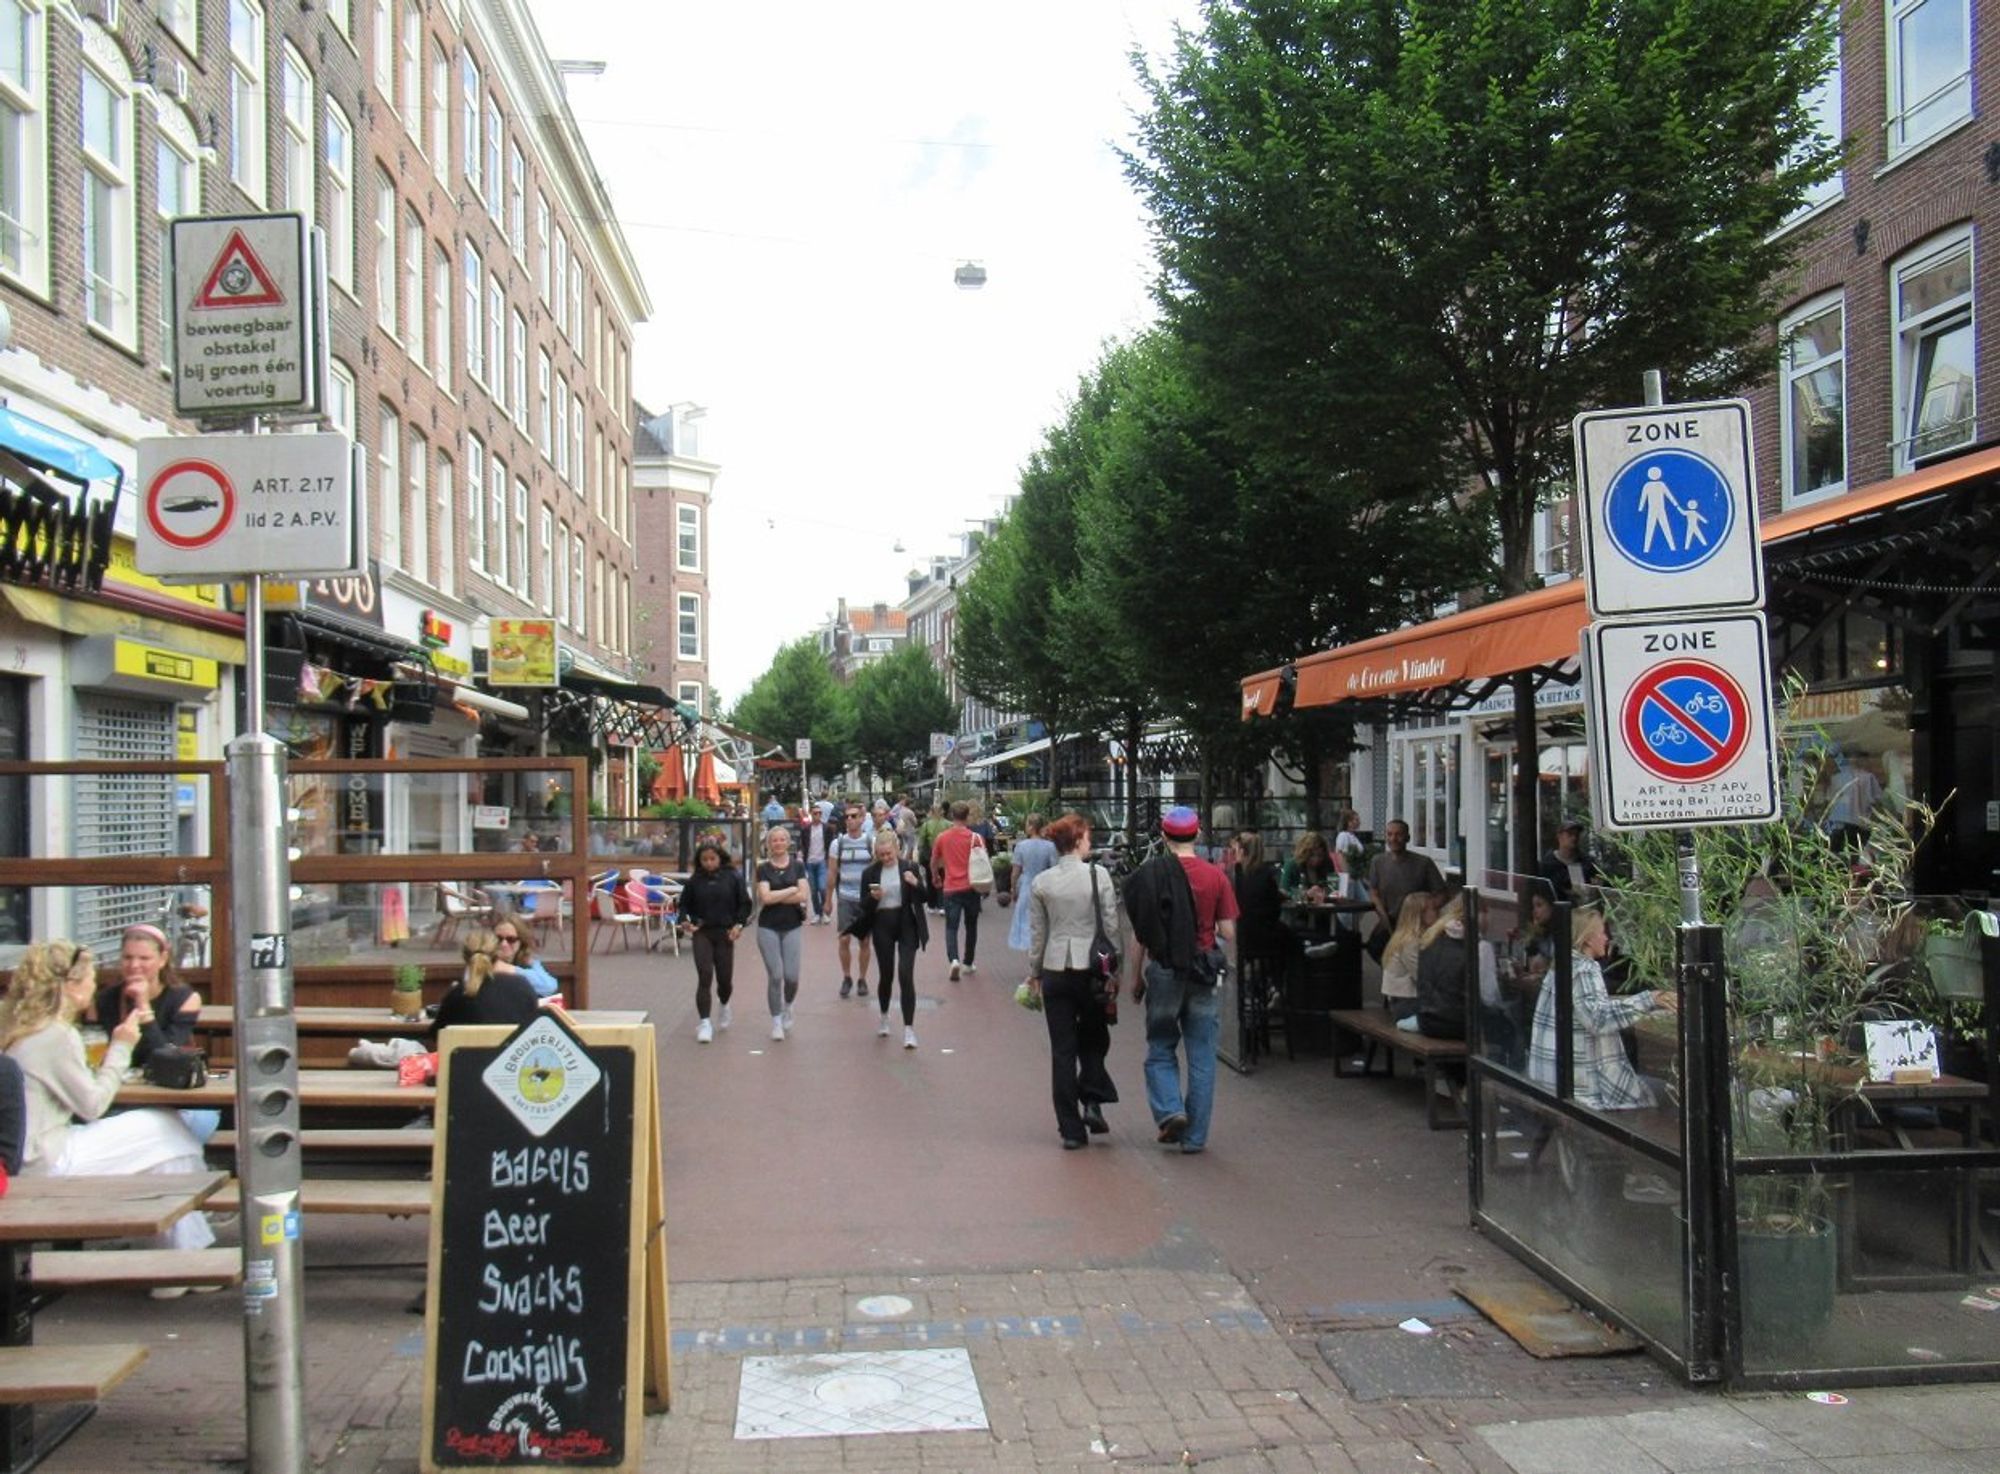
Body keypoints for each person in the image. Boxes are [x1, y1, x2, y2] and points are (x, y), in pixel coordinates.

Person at [2, 940, 216, 1280]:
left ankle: (181, 1264)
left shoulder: (19, 1025)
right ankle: (187, 1263)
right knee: (170, 1129)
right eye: (89, 977)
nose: (94, 984)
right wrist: (121, 1047)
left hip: (25, 1155)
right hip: (46, 1160)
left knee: (167, 1149)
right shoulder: (56, 1035)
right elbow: (93, 1106)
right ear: (70, 986)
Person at [1122, 806, 1238, 1154]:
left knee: (1160, 1045)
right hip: (1202, 970)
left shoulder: (1150, 874)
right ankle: (1195, 1137)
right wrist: (1209, 929)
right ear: (1198, 834)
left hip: (1164, 969)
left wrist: (1135, 978)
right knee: (1202, 1054)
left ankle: (1170, 1108)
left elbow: (1139, 935)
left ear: (1163, 836)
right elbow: (1229, 932)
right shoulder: (1215, 876)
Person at [1028, 814, 1123, 1149]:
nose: (1090, 842)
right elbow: (1110, 926)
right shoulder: (1099, 876)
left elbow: (1038, 934)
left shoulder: (1042, 882)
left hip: (1056, 968)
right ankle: (1093, 1099)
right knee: (1095, 1039)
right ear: (1079, 839)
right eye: (1087, 837)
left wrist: (1035, 972)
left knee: (1063, 1051)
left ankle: (1070, 1129)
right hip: (1092, 970)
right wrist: (1117, 968)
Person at [1526, 910, 1678, 1108]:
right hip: (1582, 1091)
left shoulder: (1562, 966)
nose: (1607, 938)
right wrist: (1649, 999)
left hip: (1549, 1080)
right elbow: (1599, 1019)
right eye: (1603, 932)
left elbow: (1589, 1009)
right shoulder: (1585, 969)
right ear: (1588, 938)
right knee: (1670, 1092)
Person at [846, 831, 931, 1048]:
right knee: (887, 974)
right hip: (882, 923)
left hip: (906, 923)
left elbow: (925, 897)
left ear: (897, 850)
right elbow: (862, 906)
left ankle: (909, 1029)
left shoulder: (909, 868)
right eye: (881, 855)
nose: (886, 858)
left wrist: (915, 883)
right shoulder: (871, 873)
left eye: (889, 854)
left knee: (905, 973)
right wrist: (872, 899)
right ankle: (884, 1016)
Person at [91, 924, 202, 1066]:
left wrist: (143, 1006)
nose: (134, 965)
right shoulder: (105, 998)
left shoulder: (185, 999)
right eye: (127, 957)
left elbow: (165, 1060)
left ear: (162, 959)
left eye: (144, 958)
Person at [679, 841, 751, 1042]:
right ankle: (704, 1023)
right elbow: (684, 905)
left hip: (725, 932)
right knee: (704, 975)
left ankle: (725, 1003)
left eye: (712, 859)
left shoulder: (733, 877)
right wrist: (685, 921)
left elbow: (745, 904)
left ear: (720, 858)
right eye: (704, 860)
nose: (709, 863)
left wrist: (738, 925)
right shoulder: (695, 880)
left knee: (724, 980)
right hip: (702, 932)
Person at [754, 824, 810, 1040]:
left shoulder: (798, 867)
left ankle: (788, 1005)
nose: (778, 843)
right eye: (774, 840)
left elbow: (803, 896)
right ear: (769, 844)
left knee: (792, 976)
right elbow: (764, 898)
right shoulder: (763, 868)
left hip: (792, 925)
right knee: (776, 975)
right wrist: (790, 889)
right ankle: (776, 1020)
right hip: (768, 926)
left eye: (781, 840)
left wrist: (780, 895)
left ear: (788, 843)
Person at [434, 926, 542, 1032]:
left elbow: (437, 1035)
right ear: (497, 955)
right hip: (512, 1049)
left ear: (465, 957)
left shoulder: (456, 994)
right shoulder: (522, 987)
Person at [1366, 820, 1445, 961]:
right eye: (1389, 834)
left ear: (1407, 837)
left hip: (1415, 923)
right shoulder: (1377, 862)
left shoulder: (1423, 863)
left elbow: (1441, 894)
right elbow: (1373, 892)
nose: (1393, 839)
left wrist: (1425, 912)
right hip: (1389, 920)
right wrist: (1382, 914)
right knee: (1375, 947)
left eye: (1398, 835)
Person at [930, 800, 989, 980]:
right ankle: (968, 962)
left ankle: (953, 959)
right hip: (972, 887)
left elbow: (934, 860)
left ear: (951, 816)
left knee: (951, 927)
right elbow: (983, 859)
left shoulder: (942, 837)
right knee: (971, 926)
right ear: (967, 815)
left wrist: (935, 876)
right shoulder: (976, 838)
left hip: (951, 888)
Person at [828, 804, 877, 998]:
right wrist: (827, 899)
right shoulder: (837, 844)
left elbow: (876, 870)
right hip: (845, 898)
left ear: (862, 819)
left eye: (854, 816)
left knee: (864, 940)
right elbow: (832, 872)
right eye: (847, 817)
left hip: (864, 900)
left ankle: (862, 978)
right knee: (844, 939)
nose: (849, 820)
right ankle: (847, 977)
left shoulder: (870, 842)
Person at [1227, 832, 1286, 972]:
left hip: (1241, 936)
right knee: (1293, 938)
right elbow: (1275, 909)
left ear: (1241, 851)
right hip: (1264, 934)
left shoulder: (1236, 876)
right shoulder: (1265, 875)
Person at [1005, 814, 1059, 962]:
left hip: (1027, 886)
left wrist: (1013, 888)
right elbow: (1055, 868)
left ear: (1030, 827)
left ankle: (1033, 953)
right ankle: (1043, 953)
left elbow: (1015, 871)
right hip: (1045, 885)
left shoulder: (1021, 846)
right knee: (1045, 920)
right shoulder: (1050, 847)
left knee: (1028, 920)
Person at [1378, 893, 1433, 1023]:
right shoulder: (1410, 942)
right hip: (1407, 1002)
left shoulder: (1410, 937)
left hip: (1407, 1000)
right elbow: (1421, 975)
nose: (1438, 913)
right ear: (1420, 914)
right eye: (1434, 909)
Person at [486, 911, 560, 998]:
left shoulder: (527, 961)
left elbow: (549, 987)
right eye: (498, 938)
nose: (504, 944)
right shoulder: (483, 959)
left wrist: (512, 970)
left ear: (521, 941)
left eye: (511, 939)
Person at [1537, 821, 1602, 905]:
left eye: (1576, 835)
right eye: (1570, 834)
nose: (1574, 838)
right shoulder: (1547, 863)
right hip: (1556, 911)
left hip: (1581, 910)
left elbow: (1597, 888)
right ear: (1559, 836)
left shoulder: (1587, 862)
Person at [797, 802, 835, 925]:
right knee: (813, 890)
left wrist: (830, 860)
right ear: (811, 815)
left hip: (822, 862)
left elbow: (830, 845)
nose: (818, 815)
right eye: (815, 813)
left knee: (822, 888)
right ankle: (817, 913)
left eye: (820, 813)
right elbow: (802, 844)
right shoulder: (806, 829)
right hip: (810, 862)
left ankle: (825, 912)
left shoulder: (827, 828)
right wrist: (801, 854)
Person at [1279, 832, 1337, 900]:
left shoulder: (1327, 863)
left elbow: (1332, 887)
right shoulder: (1292, 865)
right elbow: (1283, 891)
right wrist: (1305, 894)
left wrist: (1328, 892)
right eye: (1312, 855)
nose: (1316, 859)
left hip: (1323, 908)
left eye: (1320, 855)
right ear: (1304, 853)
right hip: (1298, 909)